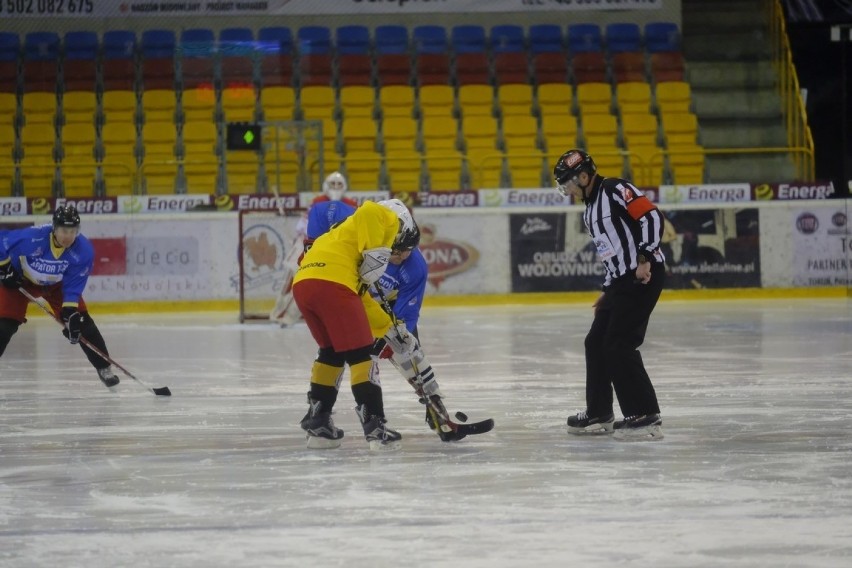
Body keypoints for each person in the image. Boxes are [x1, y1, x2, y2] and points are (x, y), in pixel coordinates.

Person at [292, 199, 446, 450]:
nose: (401, 254)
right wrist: (376, 253)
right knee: (362, 354)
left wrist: (389, 329)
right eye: (400, 248)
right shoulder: (381, 217)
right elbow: (370, 209)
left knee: (330, 353)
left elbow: (363, 299)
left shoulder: (345, 243)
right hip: (334, 284)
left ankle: (318, 423)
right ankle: (375, 427)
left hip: (305, 284)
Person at [552, 149, 666, 441]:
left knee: (619, 344)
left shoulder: (615, 188)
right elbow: (610, 254)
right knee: (595, 342)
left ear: (584, 175)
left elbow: (651, 217)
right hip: (619, 282)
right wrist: (607, 291)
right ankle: (599, 412)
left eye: (569, 183)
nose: (567, 190)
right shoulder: (590, 208)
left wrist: (644, 259)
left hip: (643, 275)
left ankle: (644, 413)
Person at [0, 205, 121, 389]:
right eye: (64, 230)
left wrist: (70, 311)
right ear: (54, 228)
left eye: (73, 231)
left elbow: (73, 284)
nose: (68, 236)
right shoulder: (33, 237)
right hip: (21, 280)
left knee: (82, 322)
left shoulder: (83, 250)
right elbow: (2, 240)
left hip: (56, 286)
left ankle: (104, 368)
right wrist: (4, 267)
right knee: (4, 325)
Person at [270, 171, 358, 325]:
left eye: (339, 184)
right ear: (326, 185)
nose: (336, 187)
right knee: (289, 280)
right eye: (332, 184)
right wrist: (301, 236)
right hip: (307, 244)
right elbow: (305, 222)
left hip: (330, 251)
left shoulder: (351, 204)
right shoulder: (317, 201)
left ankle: (289, 318)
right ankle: (277, 312)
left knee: (306, 281)